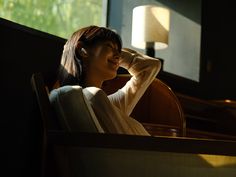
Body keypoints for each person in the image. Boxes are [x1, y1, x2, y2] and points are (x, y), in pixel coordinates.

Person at [56, 25, 161, 136]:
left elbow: (152, 66)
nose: (118, 56)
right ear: (82, 50)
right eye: (109, 46)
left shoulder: (110, 105)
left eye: (119, 51)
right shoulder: (90, 98)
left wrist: (114, 55)